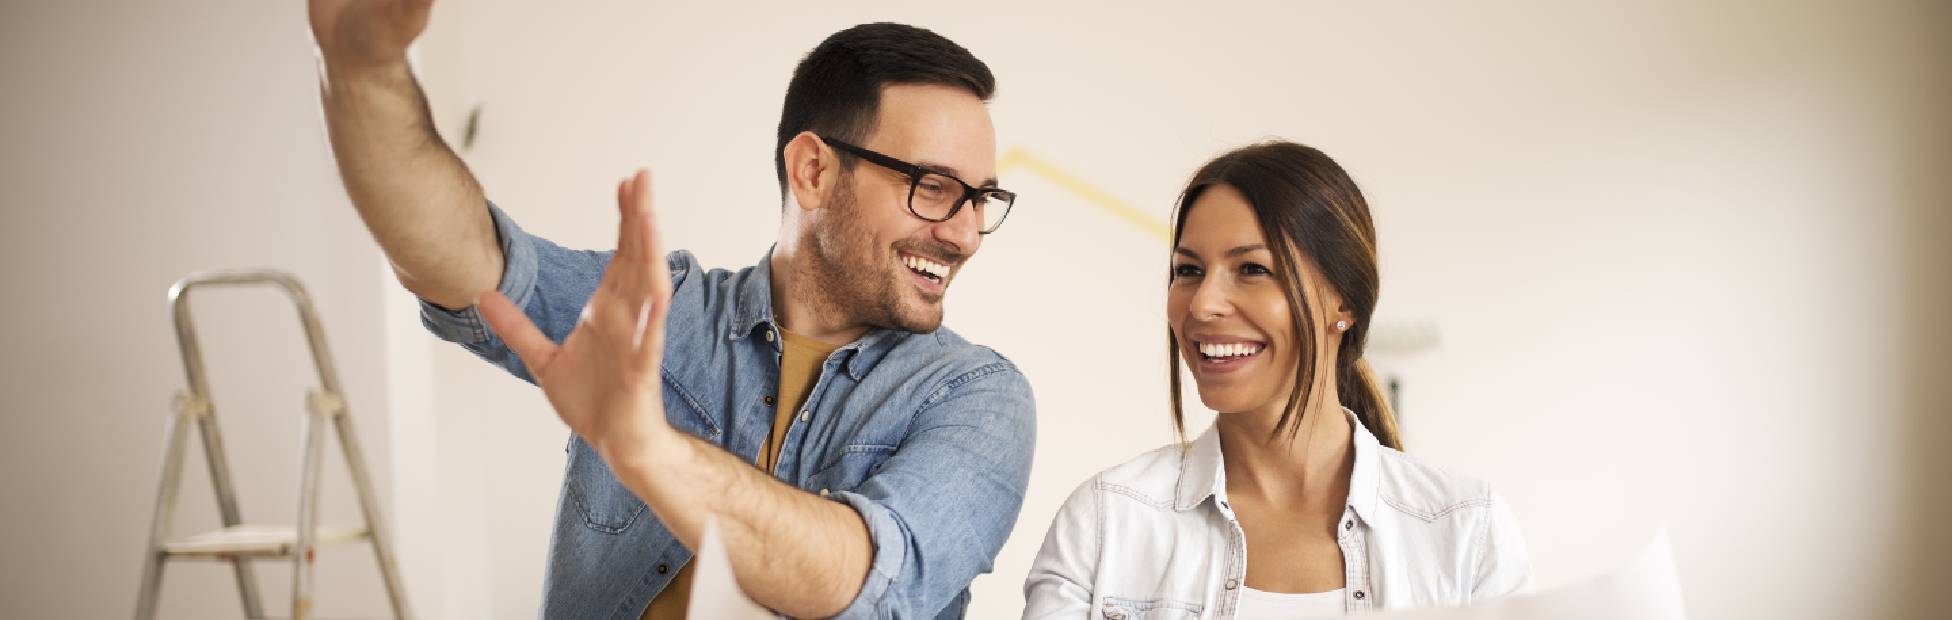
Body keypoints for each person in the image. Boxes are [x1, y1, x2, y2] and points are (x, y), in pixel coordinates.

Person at [308, 1, 1035, 617]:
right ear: (813, 170)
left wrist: (651, 450)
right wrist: (364, 75)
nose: (966, 232)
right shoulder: (665, 311)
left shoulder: (976, 398)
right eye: (933, 187)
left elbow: (862, 575)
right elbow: (465, 265)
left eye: (981, 199)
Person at [1021, 142, 1530, 618]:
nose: (1202, 304)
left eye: (1252, 269)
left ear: (1343, 302)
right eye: (1189, 270)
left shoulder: (1465, 530)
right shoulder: (1107, 521)